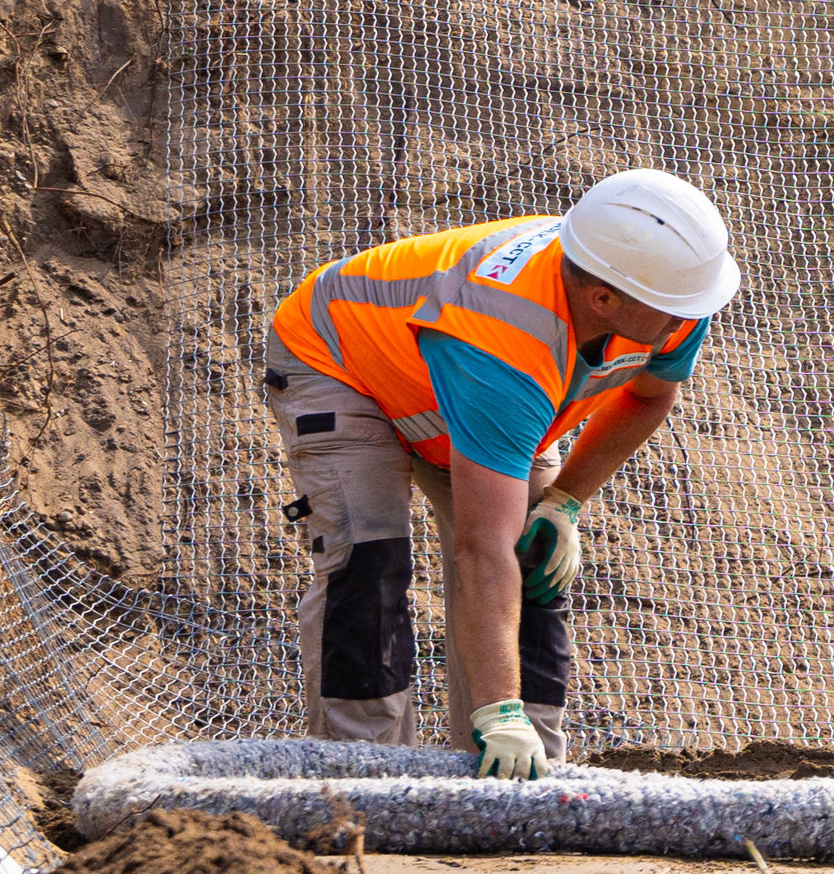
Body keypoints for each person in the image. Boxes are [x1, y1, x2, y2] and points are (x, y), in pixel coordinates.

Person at [260, 171, 743, 774]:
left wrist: (564, 501)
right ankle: (363, 779)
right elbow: (479, 549)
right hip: (342, 363)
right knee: (369, 563)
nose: (691, 321)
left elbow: (647, 397)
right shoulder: (507, 338)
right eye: (677, 311)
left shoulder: (666, 295)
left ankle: (523, 777)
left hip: (473, 390)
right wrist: (499, 710)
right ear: (603, 300)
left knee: (532, 563)